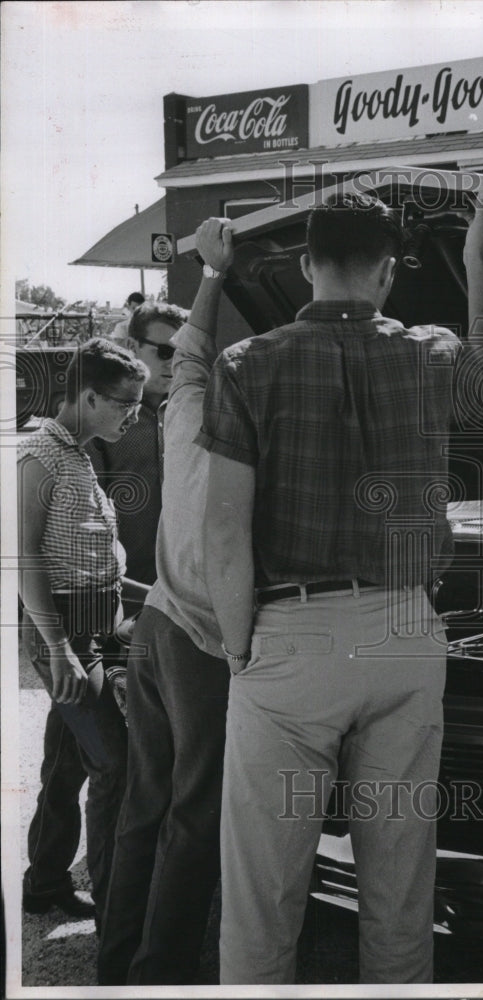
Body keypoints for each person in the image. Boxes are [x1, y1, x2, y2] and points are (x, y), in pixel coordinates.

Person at [198, 191, 483, 984]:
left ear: (307, 264)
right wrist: (476, 259)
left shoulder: (247, 364)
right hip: (406, 630)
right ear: (388, 273)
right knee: (400, 890)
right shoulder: (430, 351)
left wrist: (239, 651)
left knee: (265, 894)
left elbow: (224, 532)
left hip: (293, 639)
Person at [97, 221, 233, 985]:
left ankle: (118, 963)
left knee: (144, 804)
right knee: (191, 809)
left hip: (153, 619)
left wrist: (213, 275)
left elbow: (193, 358)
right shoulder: (207, 425)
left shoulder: (177, 415)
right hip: (183, 633)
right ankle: (160, 976)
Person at [18, 339, 148, 925]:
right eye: (125, 404)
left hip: (97, 625)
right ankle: (115, 905)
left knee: (67, 763)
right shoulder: (40, 456)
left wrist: (155, 595)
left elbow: (96, 560)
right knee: (114, 763)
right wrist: (59, 649)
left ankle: (44, 882)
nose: (134, 416)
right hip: (68, 633)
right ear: (89, 396)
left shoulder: (79, 452)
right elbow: (22, 558)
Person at [88, 304, 185, 585]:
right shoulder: (104, 415)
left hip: (185, 581)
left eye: (181, 353)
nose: (173, 362)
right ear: (132, 347)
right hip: (124, 582)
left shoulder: (192, 410)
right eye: (164, 351)